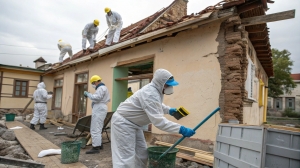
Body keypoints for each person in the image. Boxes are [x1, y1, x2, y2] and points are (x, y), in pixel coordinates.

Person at [111, 69, 196, 167]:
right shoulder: (149, 93)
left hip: (135, 124)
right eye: (168, 85)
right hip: (123, 123)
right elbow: (159, 122)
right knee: (125, 158)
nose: (170, 87)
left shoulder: (156, 90)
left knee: (142, 154)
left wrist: (169, 110)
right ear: (160, 83)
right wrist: (180, 129)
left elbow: (157, 105)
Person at [84, 75, 110, 154]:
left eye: (93, 83)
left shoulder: (101, 88)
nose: (93, 85)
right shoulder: (103, 88)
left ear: (95, 82)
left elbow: (97, 98)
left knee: (95, 128)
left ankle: (95, 148)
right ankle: (99, 144)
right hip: (101, 108)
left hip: (99, 108)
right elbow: (98, 98)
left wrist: (88, 94)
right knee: (99, 127)